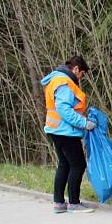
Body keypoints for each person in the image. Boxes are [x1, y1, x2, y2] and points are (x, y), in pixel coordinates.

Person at [41, 56, 96, 214]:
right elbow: (64, 110)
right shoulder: (64, 82)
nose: (81, 77)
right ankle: (74, 203)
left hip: (56, 129)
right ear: (76, 69)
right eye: (82, 74)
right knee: (78, 165)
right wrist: (84, 123)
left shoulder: (57, 79)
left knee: (64, 164)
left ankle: (59, 202)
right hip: (65, 131)